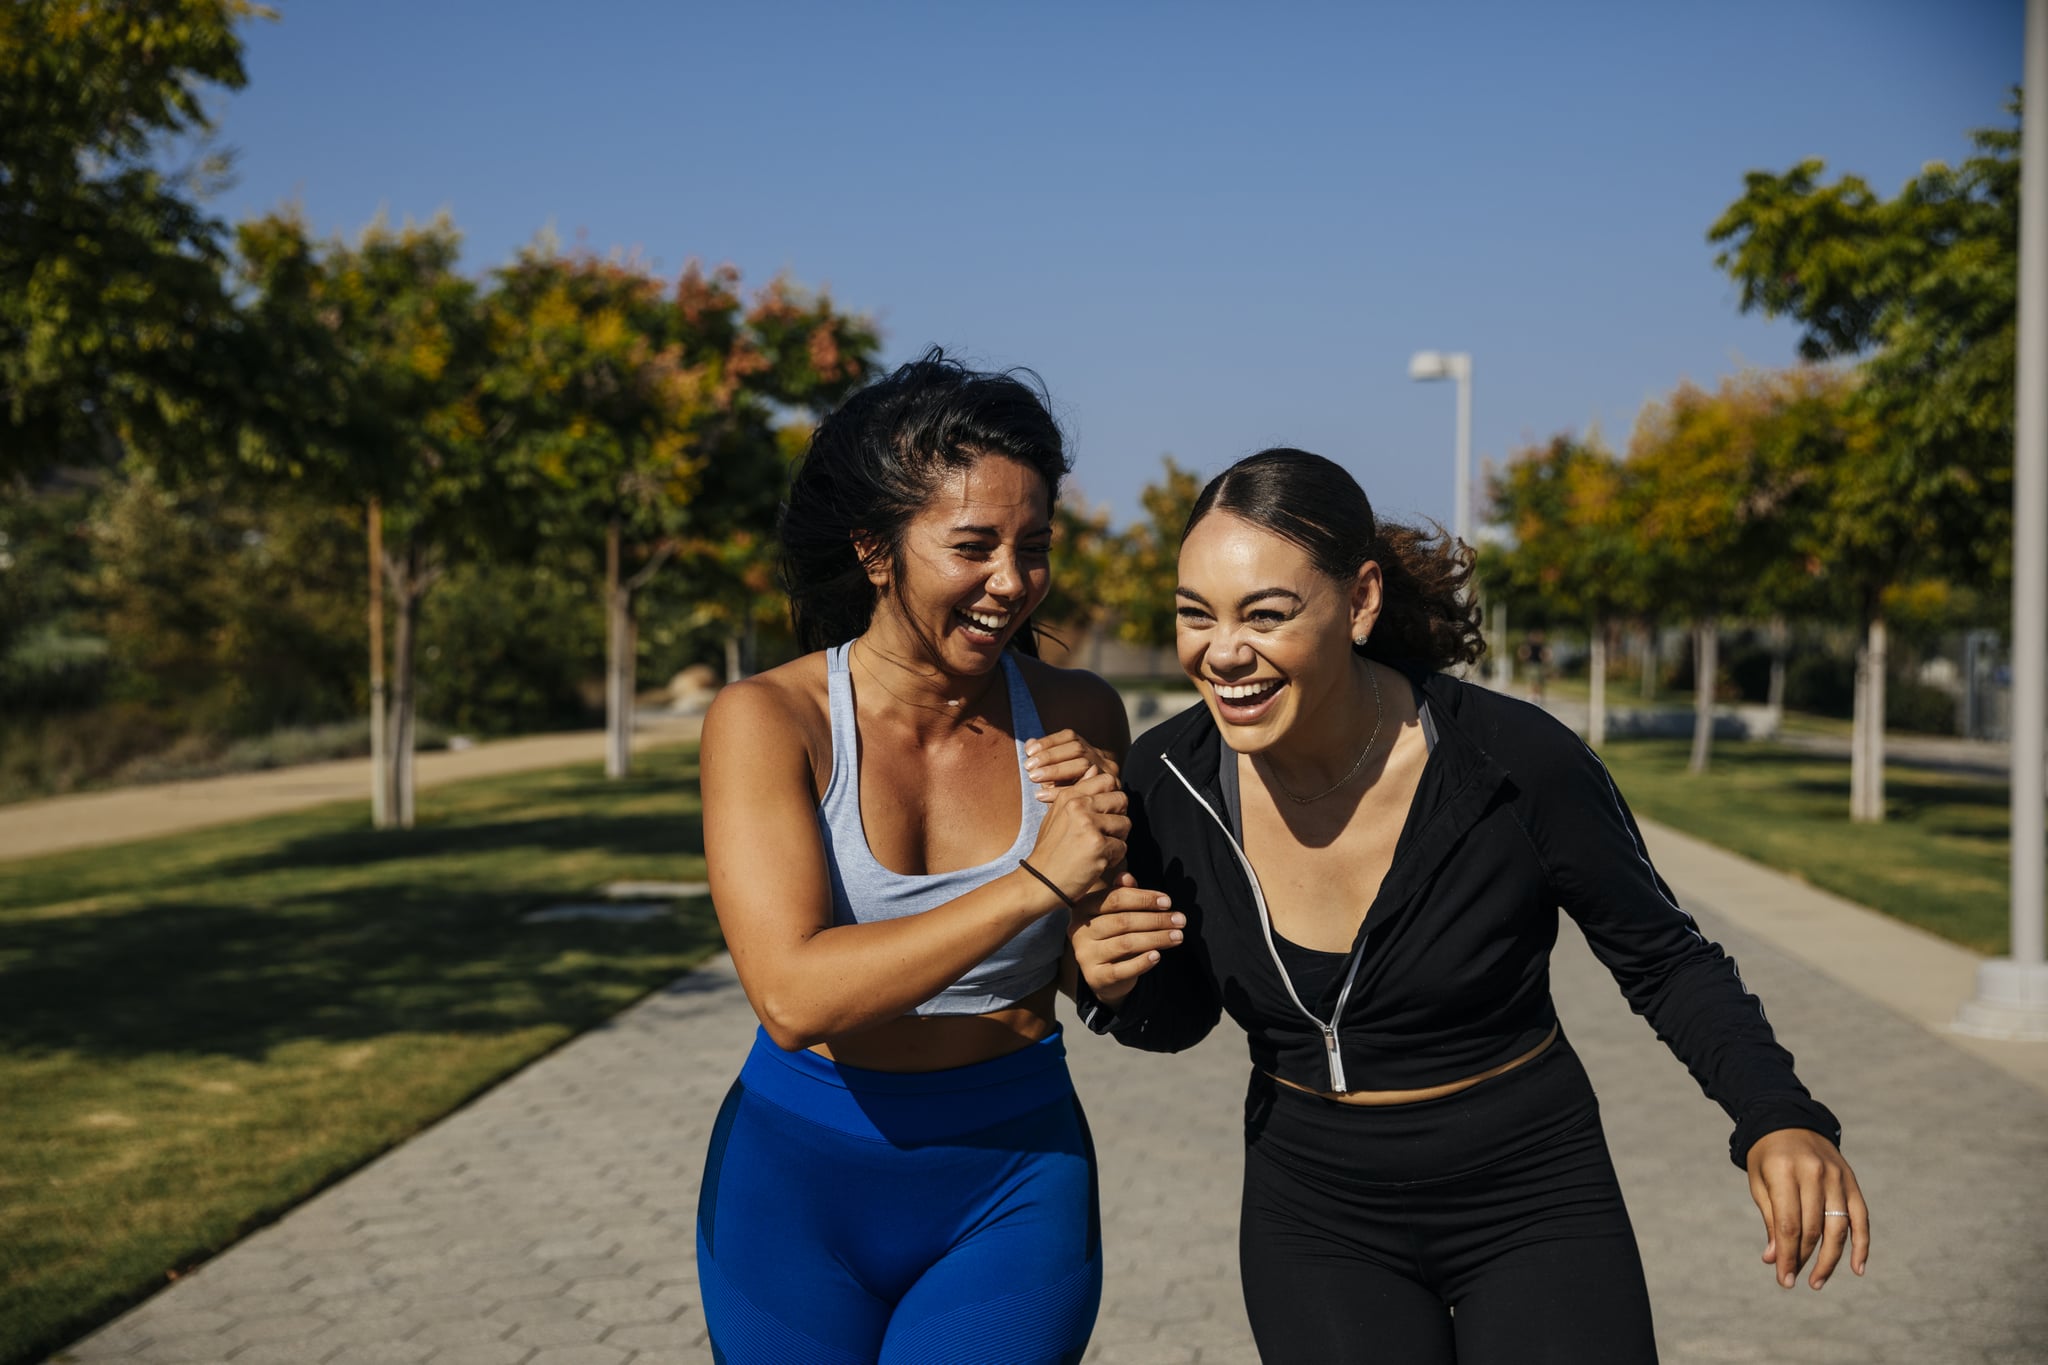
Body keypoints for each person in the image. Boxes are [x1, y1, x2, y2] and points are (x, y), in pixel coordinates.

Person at [1070, 448, 1870, 1364]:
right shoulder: (1169, 780)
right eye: (1194, 615)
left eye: (1267, 613)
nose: (1222, 652)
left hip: (1531, 1196)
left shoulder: (1511, 762)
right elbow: (1178, 1017)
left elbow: (1665, 958)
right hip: (1315, 1216)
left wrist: (1778, 1113)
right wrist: (1112, 982)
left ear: (1360, 600)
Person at [695, 349, 1131, 1364]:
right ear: (875, 551)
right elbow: (794, 994)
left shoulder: (1078, 713)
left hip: (1011, 1179)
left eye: (1035, 547)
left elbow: (1089, 955)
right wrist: (1038, 882)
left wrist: (1103, 952)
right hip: (794, 1193)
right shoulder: (771, 721)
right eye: (973, 545)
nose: (1011, 583)